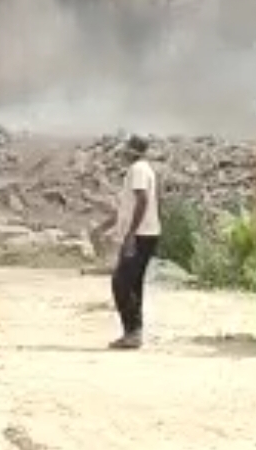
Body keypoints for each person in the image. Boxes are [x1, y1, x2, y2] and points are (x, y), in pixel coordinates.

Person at [108, 135, 162, 350]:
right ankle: (133, 332)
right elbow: (135, 204)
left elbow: (142, 200)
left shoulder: (138, 169)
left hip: (140, 235)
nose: (122, 154)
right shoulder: (145, 169)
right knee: (133, 283)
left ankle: (132, 332)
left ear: (133, 151)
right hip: (146, 233)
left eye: (126, 150)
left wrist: (131, 234)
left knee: (121, 282)